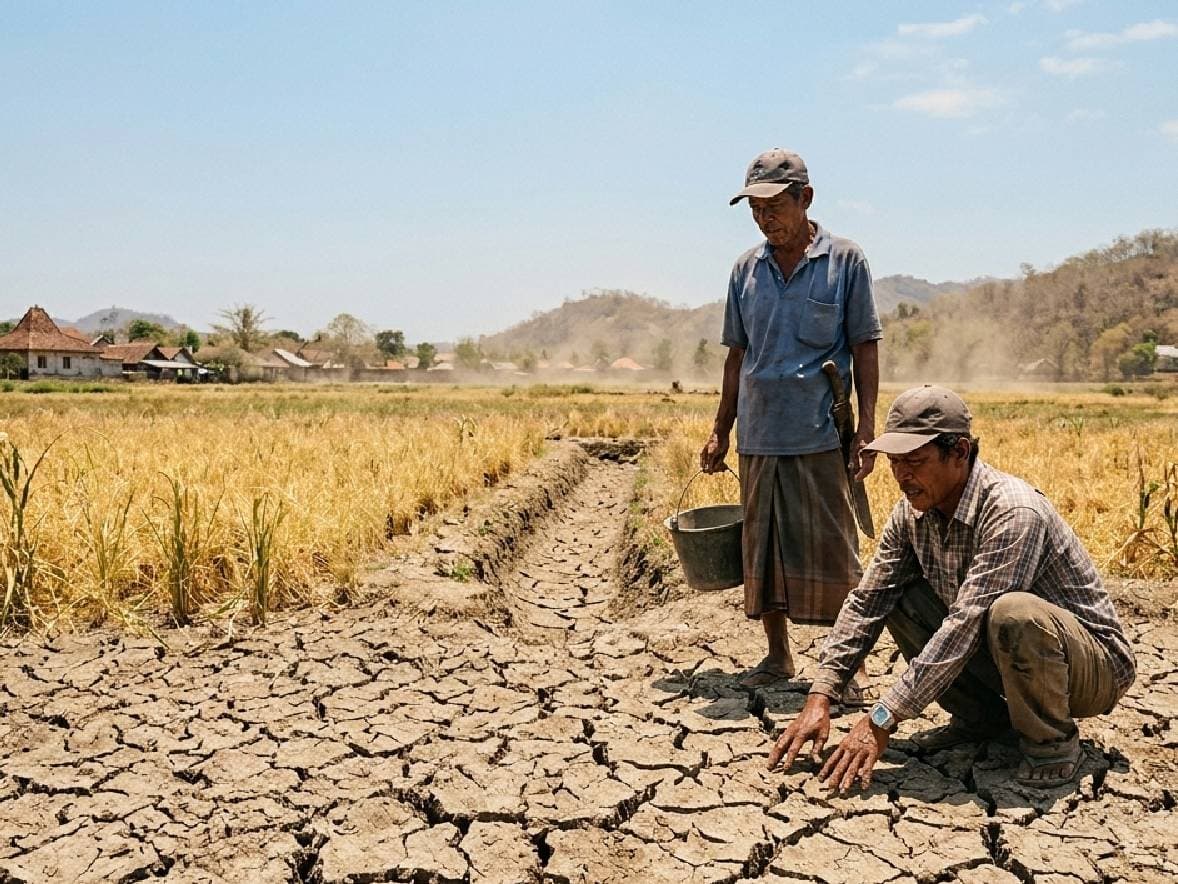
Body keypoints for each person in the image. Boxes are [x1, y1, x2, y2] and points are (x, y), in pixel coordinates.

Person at [768, 385, 1136, 790]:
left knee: (1013, 613)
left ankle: (1051, 743)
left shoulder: (1012, 512)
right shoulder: (911, 514)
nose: (902, 476)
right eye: (895, 462)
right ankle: (982, 720)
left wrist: (881, 719)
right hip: (1004, 659)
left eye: (915, 461)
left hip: (1088, 672)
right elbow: (867, 601)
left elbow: (965, 624)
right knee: (899, 596)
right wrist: (821, 694)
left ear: (959, 452)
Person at [700, 148, 882, 700]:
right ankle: (778, 656)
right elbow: (736, 357)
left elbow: (864, 346)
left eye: (774, 205)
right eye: (755, 209)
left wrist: (867, 429)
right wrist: (720, 428)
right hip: (760, 434)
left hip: (820, 433)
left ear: (805, 199)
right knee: (764, 550)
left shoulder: (845, 262)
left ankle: (848, 668)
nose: (765, 219)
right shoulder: (744, 271)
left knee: (834, 551)